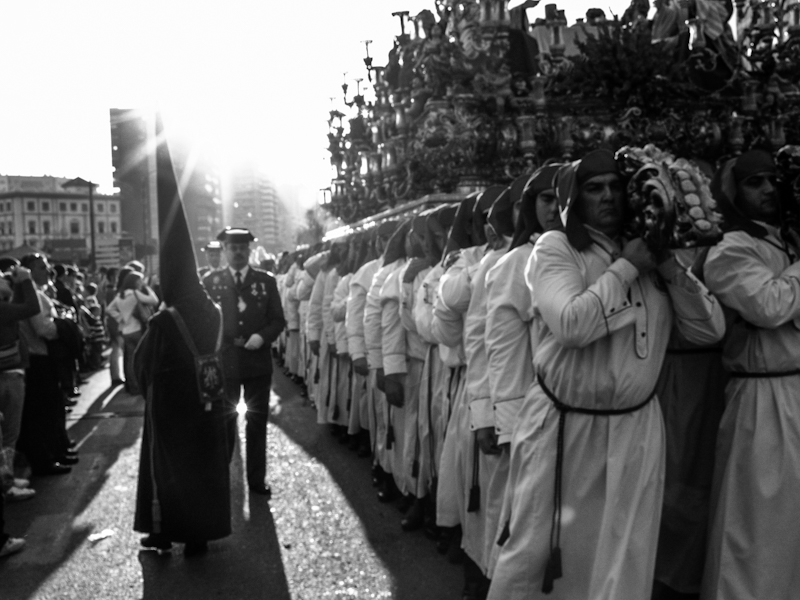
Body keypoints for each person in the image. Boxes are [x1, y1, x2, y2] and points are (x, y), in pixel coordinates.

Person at [487, 149, 725, 600]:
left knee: (623, 556)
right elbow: (573, 325)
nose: (609, 197)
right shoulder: (554, 248)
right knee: (536, 555)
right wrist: (627, 267)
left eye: (616, 187)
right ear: (573, 199)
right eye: (594, 189)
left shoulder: (652, 256)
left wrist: (670, 268)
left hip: (636, 431)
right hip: (565, 431)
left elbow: (708, 329)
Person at [701, 150, 800, 600]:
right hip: (763, 398)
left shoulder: (787, 242)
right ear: (734, 193)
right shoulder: (731, 247)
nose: (767, 190)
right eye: (754, 183)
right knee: (758, 523)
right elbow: (768, 306)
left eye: (772, 181)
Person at [134, 113, 230, 557]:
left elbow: (140, 371)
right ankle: (198, 535)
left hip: (170, 413)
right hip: (207, 406)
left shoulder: (162, 320)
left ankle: (165, 530)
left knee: (169, 472)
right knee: (202, 469)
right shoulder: (210, 308)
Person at [203, 227, 286, 497]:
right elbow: (203, 322)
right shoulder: (211, 281)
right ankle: (221, 477)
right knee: (224, 423)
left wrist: (262, 337)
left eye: (242, 248)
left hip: (256, 362)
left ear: (249, 251)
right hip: (225, 362)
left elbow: (278, 319)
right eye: (232, 248)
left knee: (257, 422)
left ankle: (256, 479)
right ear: (224, 250)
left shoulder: (266, 281)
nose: (237, 253)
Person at [0, 264, 41, 501]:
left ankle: (6, 478)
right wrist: (25, 280)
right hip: (9, 375)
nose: (6, 278)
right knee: (8, 436)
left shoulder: (4, 308)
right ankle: (7, 484)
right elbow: (31, 308)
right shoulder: (2, 309)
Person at [106, 271, 159, 395]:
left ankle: (133, 386)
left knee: (130, 360)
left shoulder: (120, 295)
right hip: (137, 330)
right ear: (135, 282)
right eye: (140, 280)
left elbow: (109, 309)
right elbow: (154, 300)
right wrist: (147, 287)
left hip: (126, 331)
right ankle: (142, 385)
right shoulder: (135, 294)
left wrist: (121, 318)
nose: (141, 283)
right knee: (141, 358)